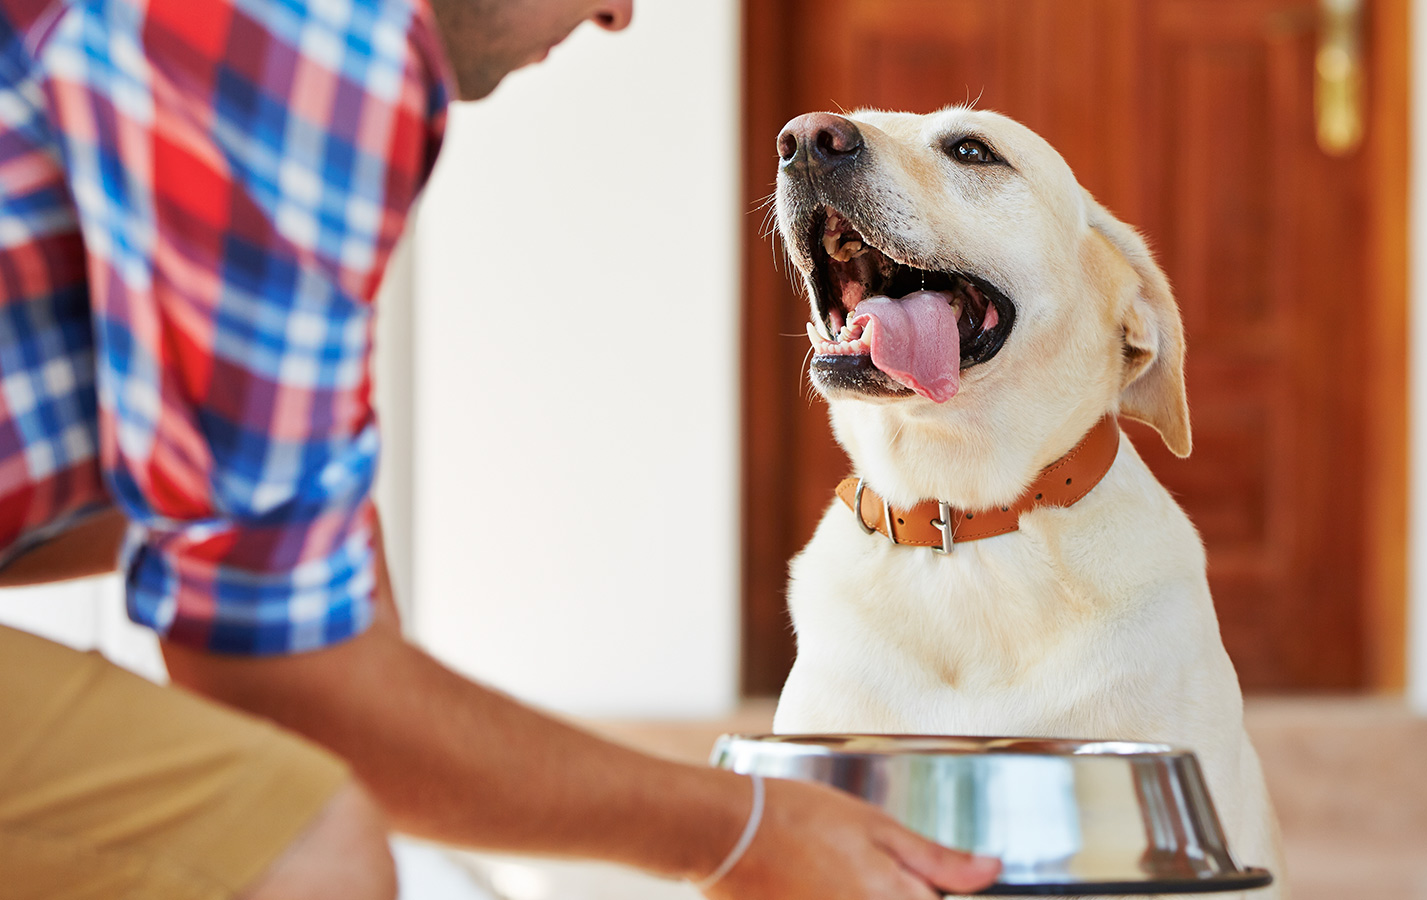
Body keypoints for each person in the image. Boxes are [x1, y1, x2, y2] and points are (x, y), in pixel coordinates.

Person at [0, 0, 1003, 898]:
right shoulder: (312, 35)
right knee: (304, 847)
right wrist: (741, 832)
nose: (618, 14)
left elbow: (265, 576)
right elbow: (281, 682)